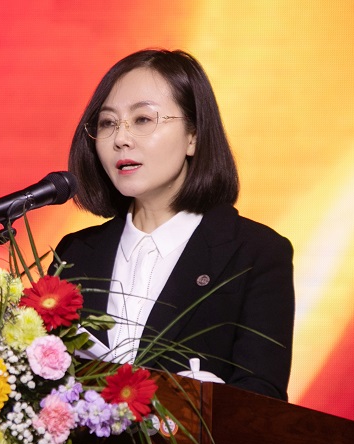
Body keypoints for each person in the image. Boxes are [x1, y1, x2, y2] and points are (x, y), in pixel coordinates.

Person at [50, 49, 294, 400]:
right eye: (107, 123)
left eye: (142, 119)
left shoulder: (255, 254)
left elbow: (262, 402)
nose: (121, 138)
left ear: (193, 135)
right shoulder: (76, 253)